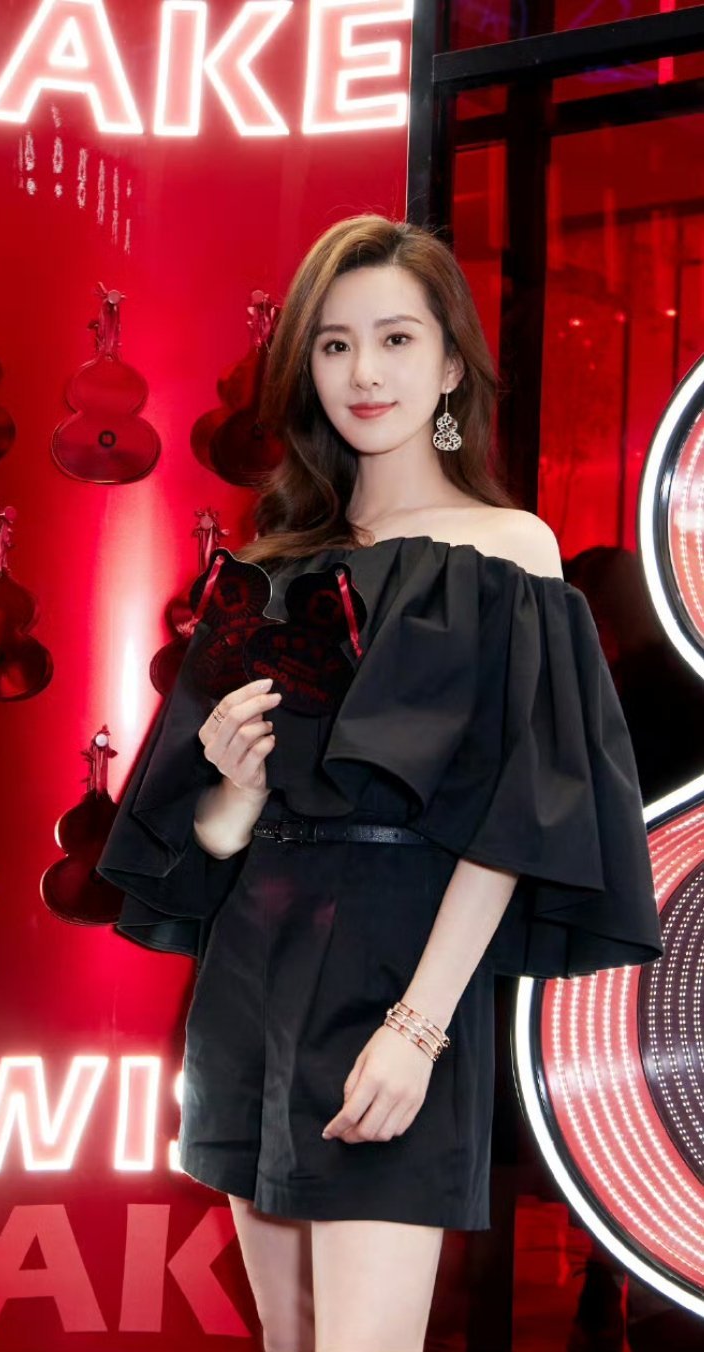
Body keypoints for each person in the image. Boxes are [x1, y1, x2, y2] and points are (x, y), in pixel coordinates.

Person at [97, 215, 663, 1352]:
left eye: (397, 339)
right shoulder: (267, 564)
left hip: (401, 975)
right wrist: (232, 790)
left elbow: (517, 814)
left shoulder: (511, 550)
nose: (365, 372)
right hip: (251, 973)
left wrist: (419, 1025)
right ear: (306, 367)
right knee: (289, 1338)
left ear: (450, 364)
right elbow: (212, 837)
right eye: (335, 344)